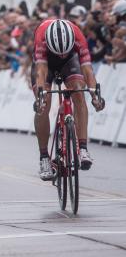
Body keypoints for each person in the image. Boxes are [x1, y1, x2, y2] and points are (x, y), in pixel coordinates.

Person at [32, 19, 105, 180]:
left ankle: (83, 149)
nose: (61, 54)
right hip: (46, 63)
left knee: (79, 90)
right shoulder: (41, 37)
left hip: (70, 61)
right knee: (44, 102)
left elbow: (88, 71)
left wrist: (95, 95)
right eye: (59, 52)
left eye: (63, 51)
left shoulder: (78, 35)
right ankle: (44, 158)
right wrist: (41, 95)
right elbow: (41, 71)